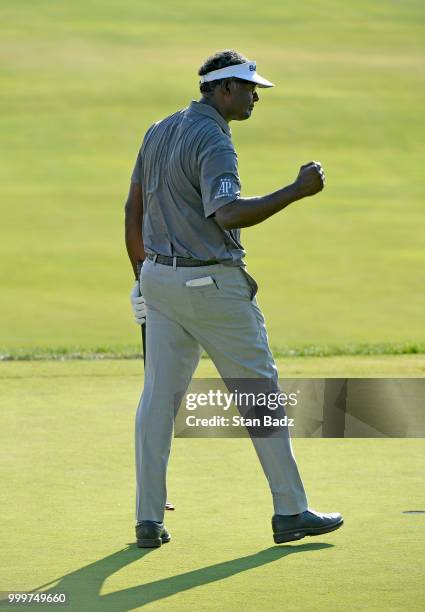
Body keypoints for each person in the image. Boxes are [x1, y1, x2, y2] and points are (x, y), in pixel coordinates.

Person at [125, 49, 343, 548]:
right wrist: (296, 189)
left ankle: (147, 518)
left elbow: (131, 210)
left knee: (158, 400)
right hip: (212, 288)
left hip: (160, 280)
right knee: (260, 393)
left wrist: (142, 278)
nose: (254, 98)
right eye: (249, 89)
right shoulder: (215, 141)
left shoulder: (158, 129)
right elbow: (226, 213)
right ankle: (290, 511)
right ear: (222, 90)